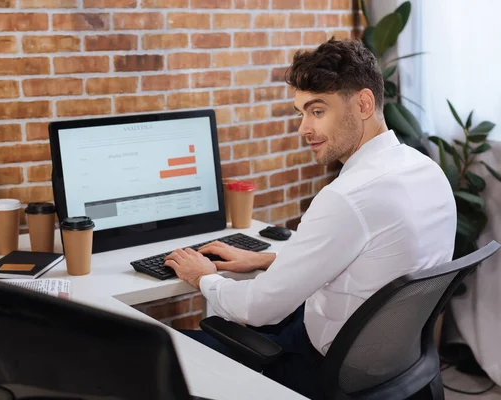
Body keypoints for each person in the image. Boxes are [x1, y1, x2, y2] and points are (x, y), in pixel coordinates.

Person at [164, 38, 457, 398]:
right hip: (393, 364)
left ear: (364, 103)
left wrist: (205, 278)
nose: (303, 128)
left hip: (326, 372)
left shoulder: (345, 197)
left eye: (317, 111)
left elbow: (258, 309)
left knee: (168, 347)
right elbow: (366, 257)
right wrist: (266, 258)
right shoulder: (427, 171)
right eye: (301, 113)